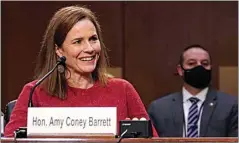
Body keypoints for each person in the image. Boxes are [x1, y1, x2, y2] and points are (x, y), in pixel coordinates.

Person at [4, 5, 158, 137]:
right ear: (59, 50)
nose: (90, 49)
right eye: (78, 42)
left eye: (93, 39)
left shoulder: (122, 90)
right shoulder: (34, 93)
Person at [148, 44, 238, 137]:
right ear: (180, 70)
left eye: (205, 64)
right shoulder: (159, 108)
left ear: (211, 68)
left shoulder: (231, 106)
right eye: (191, 63)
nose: (199, 67)